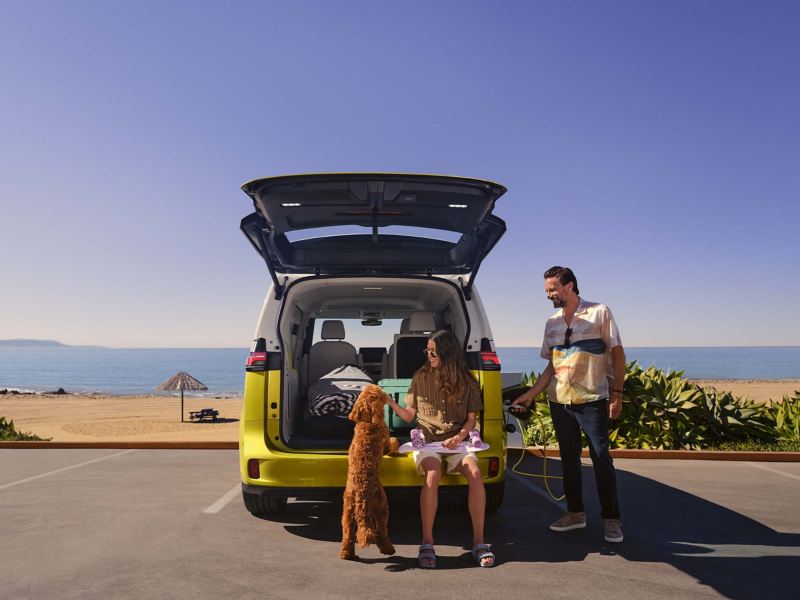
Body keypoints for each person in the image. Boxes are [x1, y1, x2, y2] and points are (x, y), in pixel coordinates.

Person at [511, 266, 626, 543]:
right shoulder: (551, 323)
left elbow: (619, 355)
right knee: (568, 460)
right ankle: (575, 513)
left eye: (552, 289)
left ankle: (611, 519)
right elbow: (552, 367)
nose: (549, 294)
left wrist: (617, 394)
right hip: (559, 401)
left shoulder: (599, 312)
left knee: (601, 458)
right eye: (547, 290)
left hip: (593, 399)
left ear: (570, 286)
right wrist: (531, 395)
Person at [386, 329, 496, 568]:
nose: (428, 355)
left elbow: (471, 419)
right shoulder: (420, 378)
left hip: (458, 441)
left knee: (476, 474)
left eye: (433, 352)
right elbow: (408, 416)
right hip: (427, 440)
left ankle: (479, 542)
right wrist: (389, 402)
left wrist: (460, 437)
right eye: (427, 351)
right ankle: (427, 542)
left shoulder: (467, 381)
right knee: (433, 474)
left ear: (447, 353)